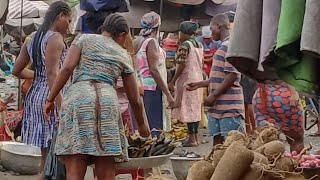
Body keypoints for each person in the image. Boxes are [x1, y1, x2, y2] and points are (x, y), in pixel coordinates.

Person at [44, 14, 150, 180]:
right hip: (107, 101)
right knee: (106, 162)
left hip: (79, 98)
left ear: (105, 30)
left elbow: (66, 69)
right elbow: (134, 98)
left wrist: (50, 99)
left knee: (76, 159)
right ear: (122, 35)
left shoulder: (83, 39)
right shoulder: (123, 54)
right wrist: (143, 126)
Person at [12, 2, 72, 179]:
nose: (68, 25)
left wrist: (38, 75)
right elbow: (53, 74)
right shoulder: (55, 38)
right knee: (54, 157)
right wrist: (61, 105)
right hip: (51, 97)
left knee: (46, 154)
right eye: (69, 20)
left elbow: (17, 71)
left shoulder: (33, 38)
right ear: (60, 15)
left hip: (35, 96)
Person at [187, 14, 245, 146]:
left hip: (229, 108)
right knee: (217, 146)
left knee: (233, 146)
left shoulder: (229, 46)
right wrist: (199, 84)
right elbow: (219, 77)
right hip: (217, 108)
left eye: (211, 27)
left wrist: (213, 95)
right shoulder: (222, 46)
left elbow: (232, 76)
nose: (210, 32)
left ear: (218, 26)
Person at [134, 12, 175, 134]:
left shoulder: (137, 41)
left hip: (140, 87)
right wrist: (168, 94)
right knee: (153, 126)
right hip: (152, 90)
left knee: (142, 124)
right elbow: (154, 70)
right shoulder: (151, 42)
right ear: (157, 27)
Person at [168, 21, 203, 147]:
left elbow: (181, 64)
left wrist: (173, 80)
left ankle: (191, 139)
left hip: (188, 79)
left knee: (189, 109)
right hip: (198, 78)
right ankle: (196, 137)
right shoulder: (199, 44)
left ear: (183, 33)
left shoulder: (185, 45)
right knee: (196, 109)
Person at [253, 82, 304, 152]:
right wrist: (293, 93)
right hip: (283, 97)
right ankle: (299, 161)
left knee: (266, 140)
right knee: (296, 141)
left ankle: (268, 162)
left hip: (260, 98)